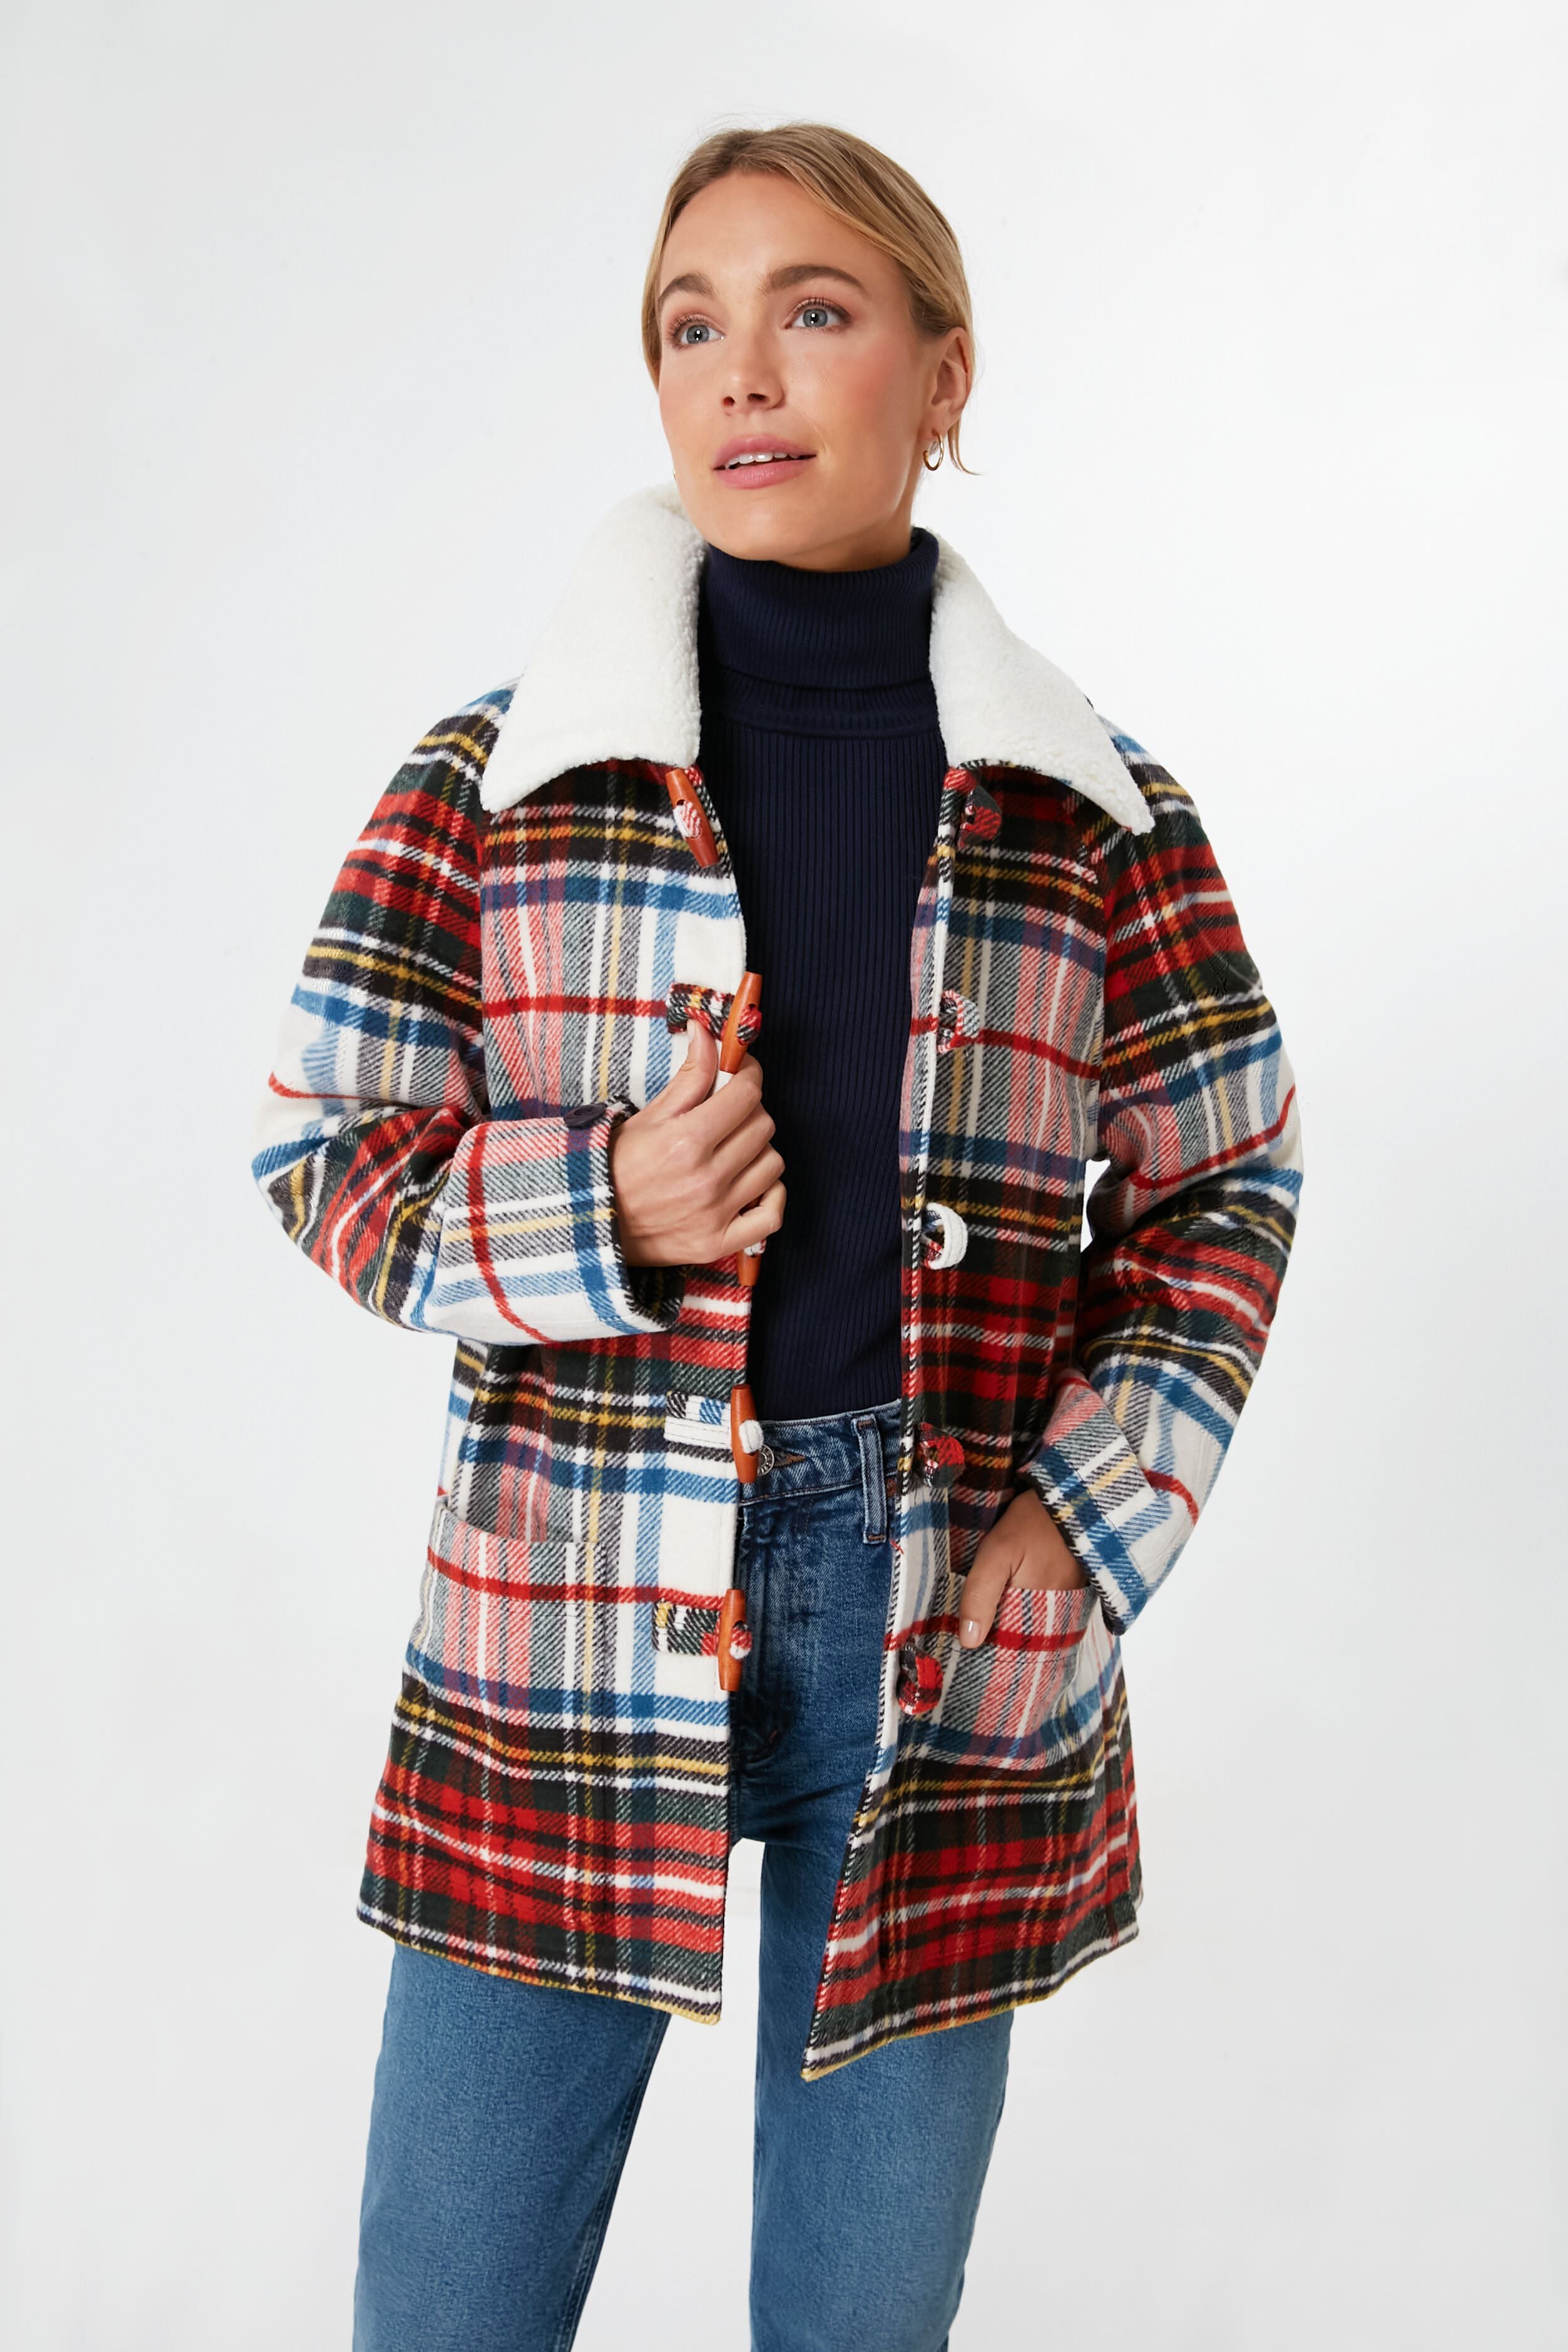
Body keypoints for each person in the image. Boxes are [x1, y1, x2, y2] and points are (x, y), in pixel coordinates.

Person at [252, 121, 1302, 2352]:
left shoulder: (1093, 813)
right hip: (563, 1606)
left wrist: (1081, 1513)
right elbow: (325, 1145)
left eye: (812, 312)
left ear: (943, 374)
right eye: (688, 325)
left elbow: (1226, 1177)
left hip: (941, 1617)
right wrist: (597, 1205)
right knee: (447, 2309)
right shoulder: (497, 781)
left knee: (859, 2322)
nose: (740, 372)